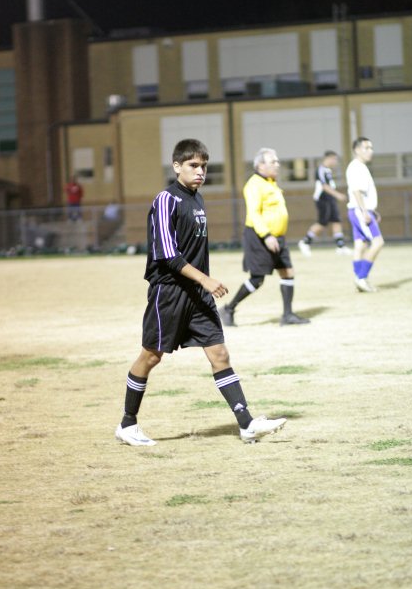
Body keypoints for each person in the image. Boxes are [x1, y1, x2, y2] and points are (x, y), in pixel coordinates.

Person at [116, 139, 286, 446]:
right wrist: (205, 280)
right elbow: (167, 254)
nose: (200, 172)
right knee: (151, 356)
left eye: (204, 166)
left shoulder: (198, 200)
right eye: (194, 166)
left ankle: (246, 423)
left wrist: (202, 284)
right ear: (177, 166)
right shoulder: (166, 199)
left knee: (219, 353)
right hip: (168, 293)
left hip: (197, 295)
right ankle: (127, 424)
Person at [219, 147, 310, 327]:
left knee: (287, 272)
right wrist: (267, 235)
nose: (277, 164)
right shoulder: (254, 184)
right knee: (257, 279)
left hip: (277, 237)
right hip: (260, 237)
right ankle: (228, 309)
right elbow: (254, 214)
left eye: (277, 161)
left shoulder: (271, 182)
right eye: (273, 161)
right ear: (260, 165)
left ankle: (288, 315)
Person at [345, 137, 384, 292]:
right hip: (360, 211)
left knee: (360, 245)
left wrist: (371, 210)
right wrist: (364, 211)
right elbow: (356, 191)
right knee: (378, 242)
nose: (370, 151)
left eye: (371, 148)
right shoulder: (356, 167)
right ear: (357, 150)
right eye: (366, 148)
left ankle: (359, 280)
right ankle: (361, 278)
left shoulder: (359, 166)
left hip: (359, 210)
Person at [298, 150, 351, 256]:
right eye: (335, 159)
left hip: (330, 199)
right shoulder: (321, 169)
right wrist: (338, 195)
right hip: (323, 199)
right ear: (329, 158)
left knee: (336, 221)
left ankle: (340, 246)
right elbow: (324, 186)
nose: (336, 162)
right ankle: (305, 242)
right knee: (322, 223)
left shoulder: (328, 170)